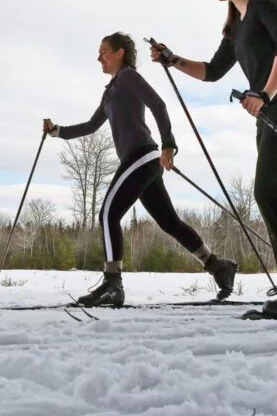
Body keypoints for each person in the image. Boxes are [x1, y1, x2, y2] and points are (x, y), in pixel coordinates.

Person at [149, 0, 277, 320]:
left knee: (270, 190)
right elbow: (212, 71)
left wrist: (265, 93)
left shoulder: (264, 2)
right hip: (270, 111)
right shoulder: (236, 25)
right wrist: (172, 59)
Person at [44, 31, 237, 307]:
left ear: (120, 52)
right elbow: (91, 125)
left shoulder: (128, 76)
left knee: (108, 213)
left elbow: (158, 104)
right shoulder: (110, 91)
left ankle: (113, 283)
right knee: (169, 222)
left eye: (104, 52)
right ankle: (217, 265)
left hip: (142, 156)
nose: (99, 58)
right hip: (141, 162)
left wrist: (169, 144)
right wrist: (57, 131)